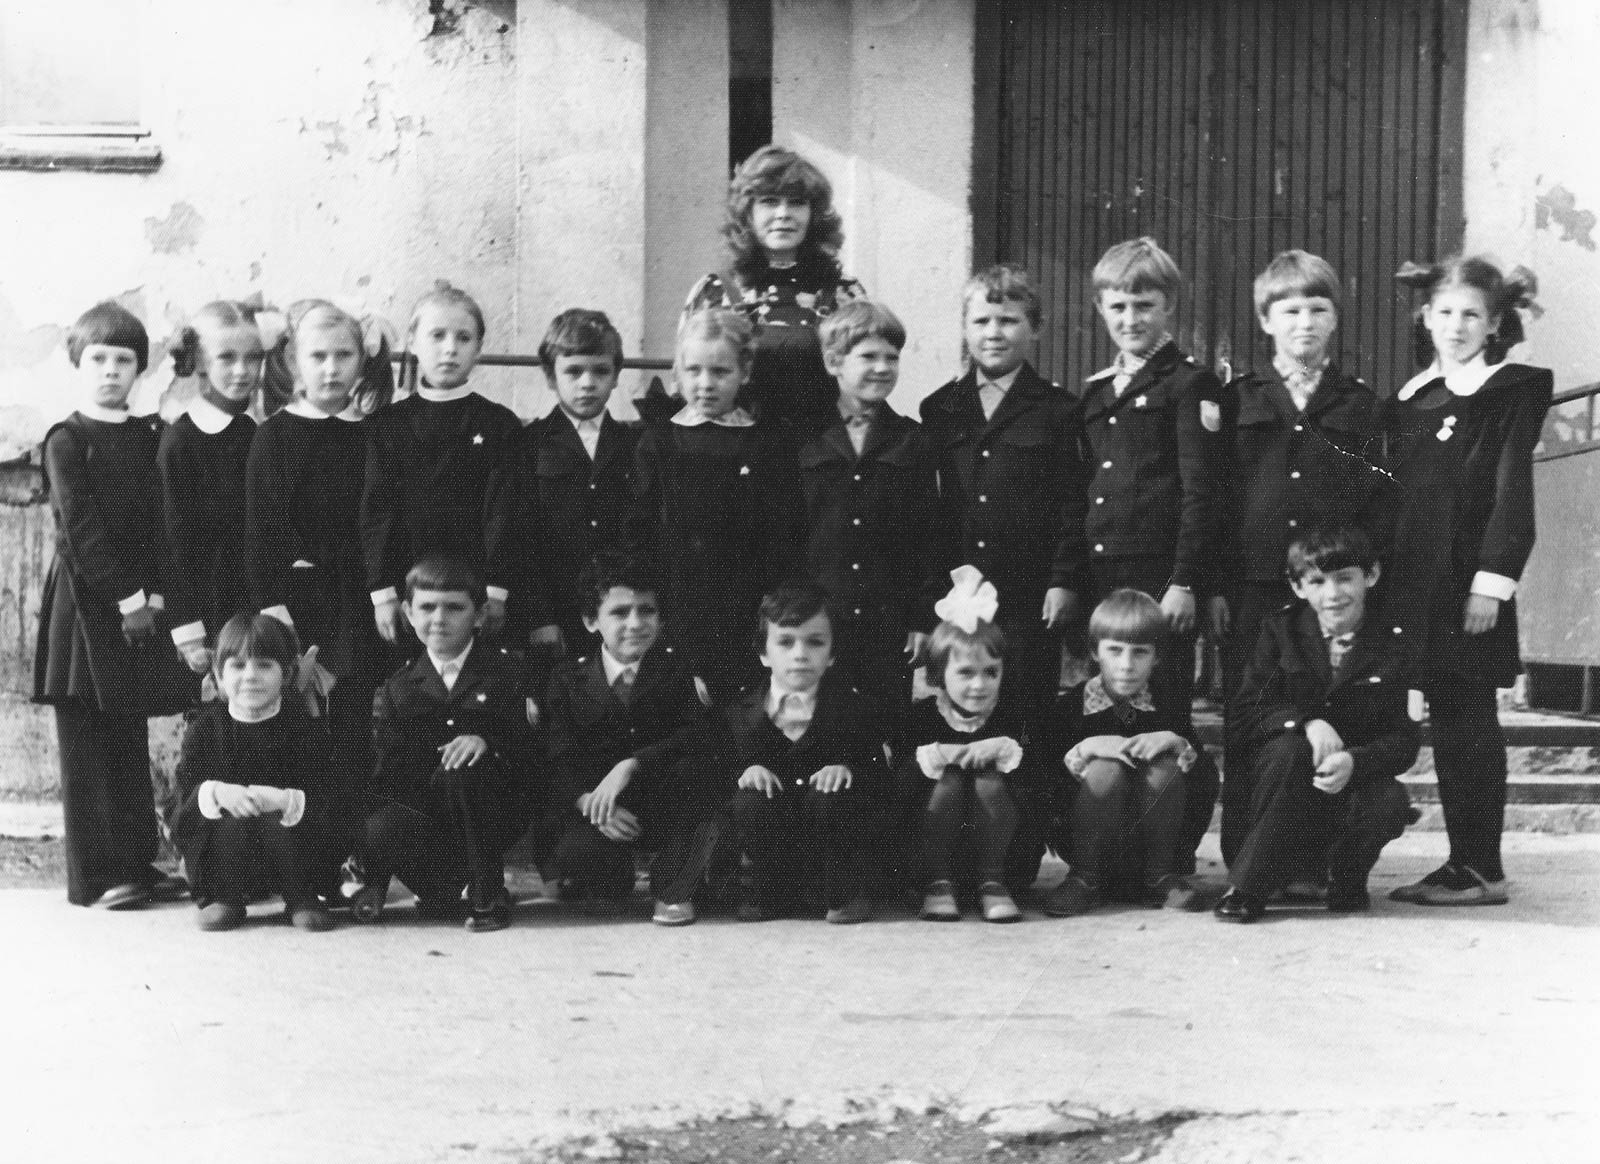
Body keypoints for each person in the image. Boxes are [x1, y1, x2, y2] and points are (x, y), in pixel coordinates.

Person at [1211, 250, 1393, 865]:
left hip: (1327, 592)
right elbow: (1217, 499)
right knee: (1251, 717)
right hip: (1255, 588)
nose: (1304, 323)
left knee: (1323, 713)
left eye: (1318, 309)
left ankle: (1311, 860)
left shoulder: (1360, 404)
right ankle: (1246, 859)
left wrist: (1361, 587)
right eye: (1290, 311)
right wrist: (1216, 587)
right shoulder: (1238, 400)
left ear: (1335, 319)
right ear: (1266, 320)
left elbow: (1376, 503)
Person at [1380, 256, 1551, 906]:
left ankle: (1480, 868)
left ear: (1494, 323)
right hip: (1412, 585)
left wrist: (1492, 581)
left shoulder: (1507, 392)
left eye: (1472, 315)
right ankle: (1460, 863)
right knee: (1441, 716)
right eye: (1445, 312)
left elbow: (1512, 493)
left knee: (1467, 716)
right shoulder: (1410, 399)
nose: (1457, 326)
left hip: (1467, 586)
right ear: (1425, 317)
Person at [34, 301, 191, 908]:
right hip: (87, 604)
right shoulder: (67, 439)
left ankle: (136, 864)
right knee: (88, 738)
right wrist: (128, 598)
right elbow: (81, 528)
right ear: (78, 363)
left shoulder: (151, 434)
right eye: (98, 358)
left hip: (139, 605)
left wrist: (155, 594)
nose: (110, 371)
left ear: (139, 369)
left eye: (123, 360)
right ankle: (97, 876)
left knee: (126, 732)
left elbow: (162, 520)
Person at [1079, 237, 1225, 872]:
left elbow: (1200, 490)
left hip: (1159, 580)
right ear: (1100, 309)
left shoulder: (1189, 383)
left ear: (1169, 307)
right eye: (1118, 305)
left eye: (1145, 305)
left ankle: (1171, 857)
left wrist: (1185, 581)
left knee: (1165, 717)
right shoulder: (1096, 392)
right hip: (1102, 578)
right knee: (1102, 715)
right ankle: (1105, 857)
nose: (1131, 318)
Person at [1214, 525, 1417, 922]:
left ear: (1371, 575)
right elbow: (1245, 712)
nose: (1333, 593)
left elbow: (1403, 741)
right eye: (1318, 581)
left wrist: (1355, 761)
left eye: (1345, 578)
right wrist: (1307, 722)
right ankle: (1250, 885)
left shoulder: (1394, 642)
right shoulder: (1280, 632)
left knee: (1389, 800)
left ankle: (1345, 877)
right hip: (1279, 787)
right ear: (1298, 587)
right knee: (1291, 750)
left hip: (1346, 783)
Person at [246, 300, 393, 839]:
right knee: (299, 717)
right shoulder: (275, 436)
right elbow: (261, 529)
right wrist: (275, 607)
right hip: (298, 601)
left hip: (359, 599)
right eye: (318, 357)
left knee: (354, 720)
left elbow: (382, 519)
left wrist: (380, 591)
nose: (331, 369)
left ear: (361, 362)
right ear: (294, 363)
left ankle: (354, 845)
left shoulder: (375, 433)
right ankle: (296, 844)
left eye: (343, 356)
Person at [919, 265, 1087, 721]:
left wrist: (1063, 579)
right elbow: (929, 509)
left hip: (1027, 591)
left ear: (1035, 328)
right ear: (964, 328)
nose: (993, 333)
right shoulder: (940, 408)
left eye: (1009, 321)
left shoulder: (1059, 410)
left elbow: (1073, 502)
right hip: (958, 591)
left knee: (1027, 705)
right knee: (960, 706)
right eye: (981, 321)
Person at [353, 558, 540, 932]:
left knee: (464, 767)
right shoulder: (397, 688)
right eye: (427, 607)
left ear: (479, 615)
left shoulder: (509, 674)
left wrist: (486, 742)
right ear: (408, 613)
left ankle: (488, 898)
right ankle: (428, 888)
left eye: (454, 607)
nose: (439, 619)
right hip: (431, 817)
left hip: (494, 809)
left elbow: (530, 752)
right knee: (380, 825)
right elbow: (388, 776)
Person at [627, 307, 801, 696]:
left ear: (745, 372)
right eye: (694, 371)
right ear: (678, 371)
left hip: (747, 602)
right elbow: (639, 526)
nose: (705, 384)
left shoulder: (766, 443)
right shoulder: (661, 441)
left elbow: (783, 530)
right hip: (677, 602)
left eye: (720, 372)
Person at [542, 557, 720, 926]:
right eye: (620, 612)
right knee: (584, 861)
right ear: (591, 621)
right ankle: (605, 881)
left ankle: (673, 888)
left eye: (647, 611)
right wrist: (589, 803)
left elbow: (695, 739)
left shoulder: (678, 672)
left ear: (661, 619)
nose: (636, 623)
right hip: (600, 810)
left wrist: (632, 763)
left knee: (697, 780)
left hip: (662, 803)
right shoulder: (567, 678)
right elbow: (557, 756)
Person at [705, 581, 890, 923]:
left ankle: (844, 895)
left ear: (832, 653)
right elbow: (717, 776)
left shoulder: (855, 710)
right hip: (770, 845)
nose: (800, 654)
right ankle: (767, 894)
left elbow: (878, 776)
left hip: (828, 849)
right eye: (786, 642)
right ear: (764, 653)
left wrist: (847, 768)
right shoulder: (738, 713)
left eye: (815, 642)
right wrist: (745, 772)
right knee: (749, 800)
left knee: (833, 796)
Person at [363, 282, 523, 646]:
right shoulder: (387, 425)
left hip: (475, 591)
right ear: (413, 341)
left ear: (478, 348)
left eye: (463, 338)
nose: (450, 349)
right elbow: (376, 512)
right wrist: (383, 593)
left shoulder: (499, 424)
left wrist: (496, 591)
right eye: (437, 336)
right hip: (407, 591)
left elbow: (504, 512)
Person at [675, 144, 865, 441]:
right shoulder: (714, 291)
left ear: (813, 214)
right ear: (747, 213)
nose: (783, 214)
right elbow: (688, 387)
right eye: (769, 201)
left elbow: (863, 387)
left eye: (797, 203)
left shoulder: (844, 291)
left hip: (822, 454)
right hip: (735, 452)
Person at [799, 299, 938, 700]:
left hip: (886, 621)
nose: (882, 367)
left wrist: (922, 617)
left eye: (891, 358)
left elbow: (928, 536)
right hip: (817, 617)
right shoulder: (802, 437)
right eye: (869, 357)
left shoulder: (912, 439)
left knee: (882, 720)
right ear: (834, 363)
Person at [168, 613, 341, 931]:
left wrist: (284, 800)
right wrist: (217, 792)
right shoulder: (205, 730)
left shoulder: (302, 727)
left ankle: (301, 897)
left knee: (285, 818)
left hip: (289, 847)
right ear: (219, 676)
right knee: (228, 817)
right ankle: (226, 898)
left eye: (264, 665)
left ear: (286, 674)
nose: (250, 676)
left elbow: (329, 797)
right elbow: (180, 806)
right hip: (227, 849)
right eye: (237, 666)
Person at [1041, 589, 1203, 917]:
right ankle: (1085, 879)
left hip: (1150, 848)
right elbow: (1044, 781)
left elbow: (1205, 783)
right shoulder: (1070, 708)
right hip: (1088, 844)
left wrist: (1176, 742)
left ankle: (1160, 878)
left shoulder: (1167, 705)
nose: (1126, 665)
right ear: (1094, 651)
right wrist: (1084, 750)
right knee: (1105, 769)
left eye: (1140, 653)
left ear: (1157, 656)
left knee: (1164, 767)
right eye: (1114, 650)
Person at [903, 567, 1033, 923]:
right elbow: (900, 793)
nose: (979, 685)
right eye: (965, 673)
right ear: (939, 674)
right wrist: (934, 757)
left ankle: (992, 882)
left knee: (989, 781)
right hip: (932, 846)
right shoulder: (923, 719)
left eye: (990, 672)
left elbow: (1036, 788)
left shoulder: (1012, 718)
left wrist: (1005, 752)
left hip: (999, 848)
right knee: (949, 781)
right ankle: (938, 883)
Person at [521, 309, 640, 656]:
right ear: (550, 376)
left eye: (600, 371)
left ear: (616, 376)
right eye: (573, 371)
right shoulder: (529, 443)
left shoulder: (635, 445)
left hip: (620, 612)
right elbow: (521, 536)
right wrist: (539, 616)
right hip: (556, 609)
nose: (587, 383)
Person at [159, 301, 267, 679]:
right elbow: (172, 540)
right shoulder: (182, 441)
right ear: (202, 362)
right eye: (227, 358)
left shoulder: (260, 432)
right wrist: (188, 628)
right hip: (209, 603)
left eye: (252, 358)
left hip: (259, 601)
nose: (242, 370)